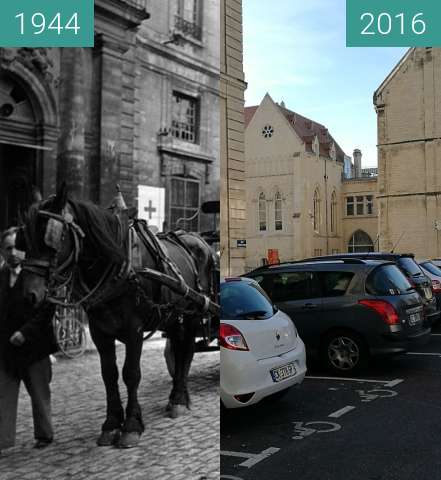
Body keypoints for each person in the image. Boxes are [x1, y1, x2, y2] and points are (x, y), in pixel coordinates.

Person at [0, 227, 57, 453]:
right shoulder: (1, 276)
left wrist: (25, 332)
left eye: (17, 247)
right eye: (8, 248)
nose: (13, 252)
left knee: (39, 393)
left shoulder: (37, 276)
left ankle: (44, 435)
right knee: (3, 393)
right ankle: (4, 440)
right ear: (2, 252)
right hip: (6, 348)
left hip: (35, 346)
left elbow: (46, 310)